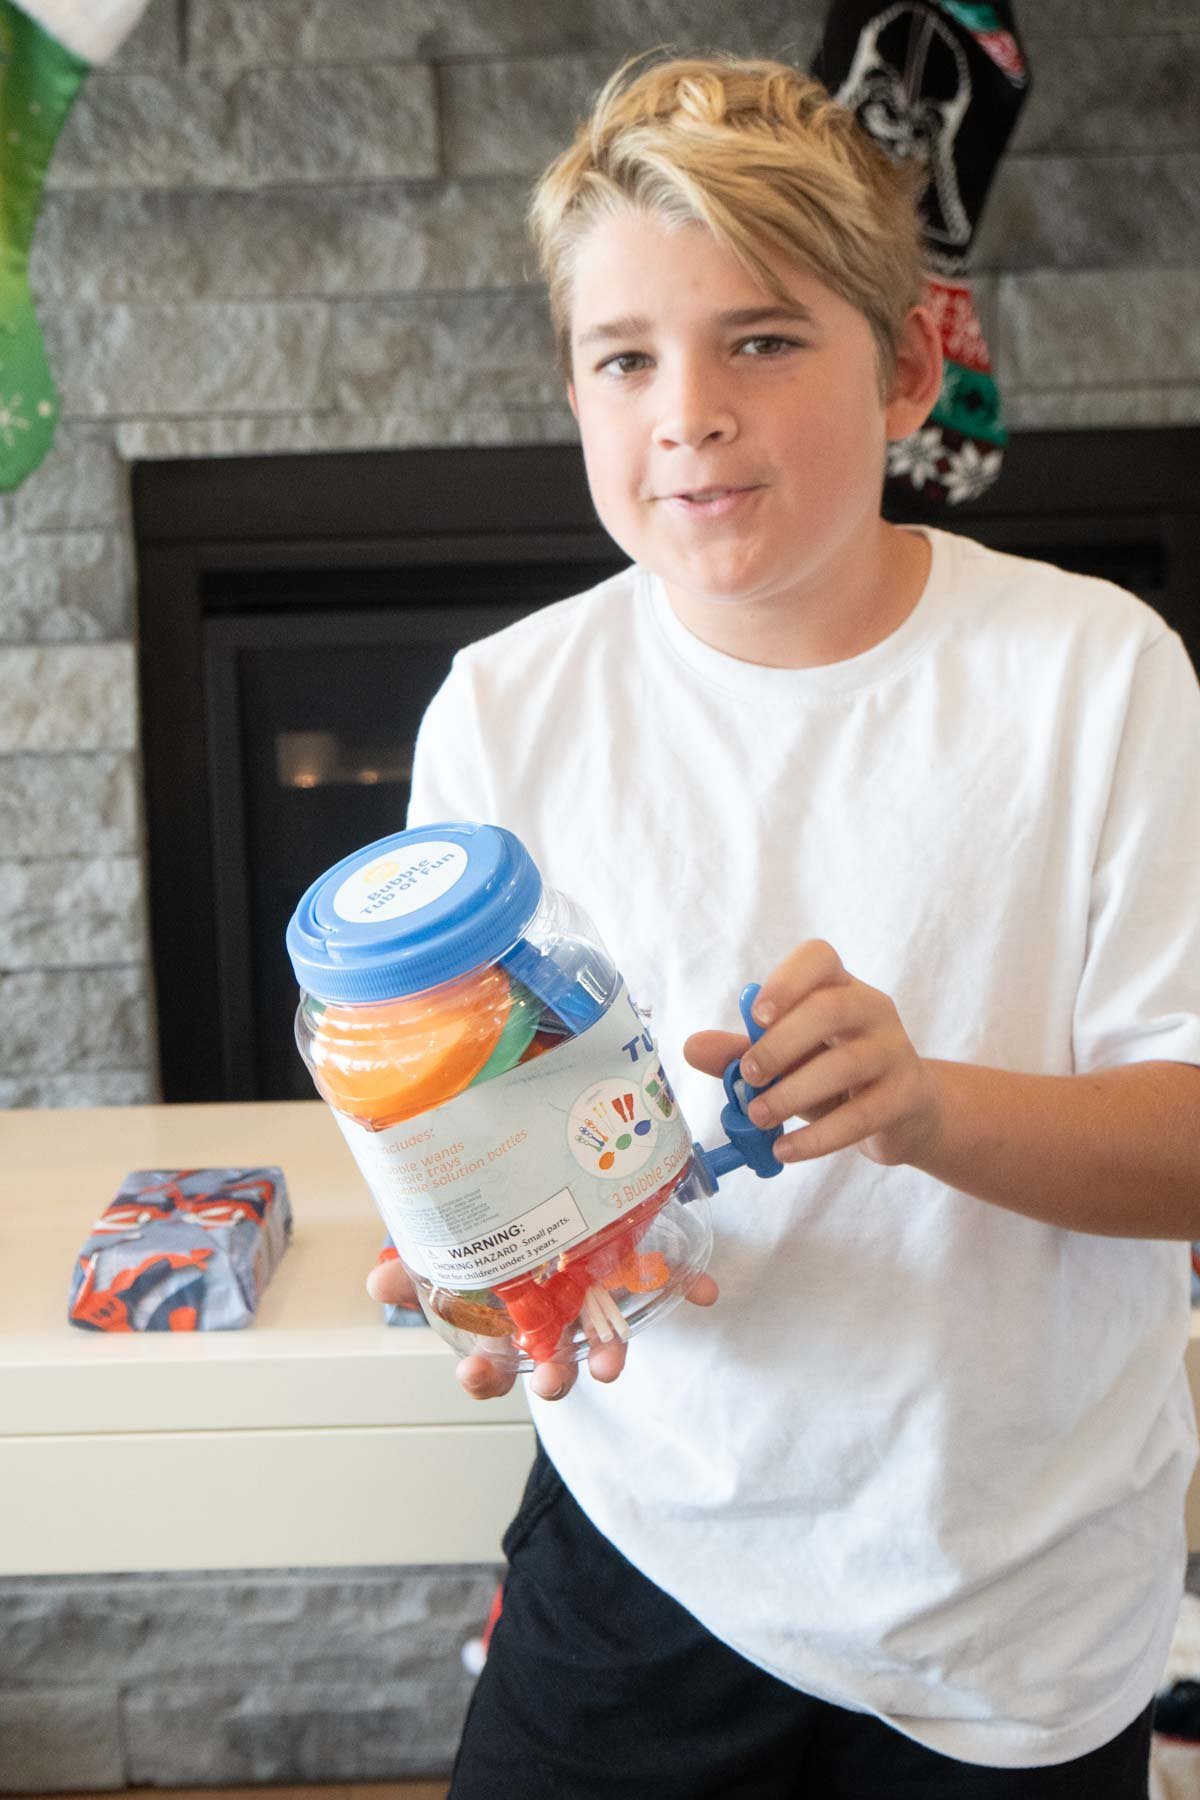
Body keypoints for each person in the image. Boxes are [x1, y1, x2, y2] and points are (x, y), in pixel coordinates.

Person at [367, 51, 1200, 1798]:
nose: (689, 411)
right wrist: (490, 1256)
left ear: (904, 369)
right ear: (577, 390)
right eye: (627, 357)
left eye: (761, 339)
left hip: (1013, 1604)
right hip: (647, 1539)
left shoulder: (1099, 676)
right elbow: (501, 1128)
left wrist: (929, 1105)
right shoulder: (501, 714)